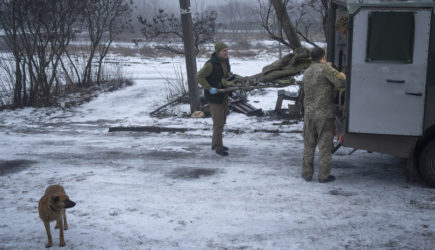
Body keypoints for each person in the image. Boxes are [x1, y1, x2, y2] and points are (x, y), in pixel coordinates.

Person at [302, 47, 346, 183]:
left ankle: (307, 174)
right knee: (324, 146)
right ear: (323, 57)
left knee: (309, 145)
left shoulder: (307, 71)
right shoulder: (325, 69)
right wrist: (342, 74)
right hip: (324, 115)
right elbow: (341, 82)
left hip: (309, 114)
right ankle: (323, 176)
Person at [195, 42, 231, 156]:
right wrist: (209, 88)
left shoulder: (225, 62)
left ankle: (216, 143)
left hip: (223, 94)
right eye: (223, 51)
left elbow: (227, 75)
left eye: (226, 50)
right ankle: (217, 147)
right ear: (217, 52)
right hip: (214, 97)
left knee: (222, 121)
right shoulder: (210, 64)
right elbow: (198, 76)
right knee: (218, 122)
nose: (226, 52)